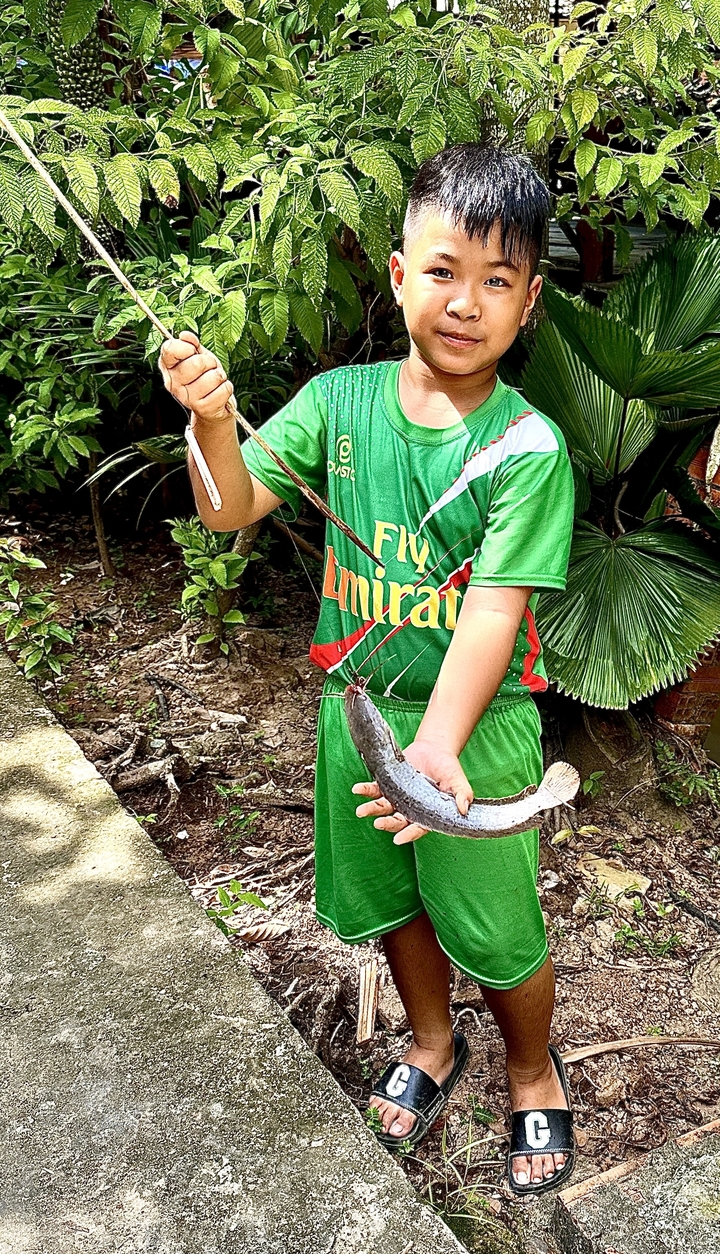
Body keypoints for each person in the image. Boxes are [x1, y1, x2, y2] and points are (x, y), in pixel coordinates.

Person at [159, 144, 575, 1195]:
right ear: (399, 276)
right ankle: (434, 1045)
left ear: (527, 303)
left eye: (496, 281)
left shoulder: (529, 448)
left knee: (498, 925)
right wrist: (212, 419)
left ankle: (533, 1073)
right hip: (362, 715)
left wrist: (435, 751)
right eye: (443, 271)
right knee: (392, 904)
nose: (466, 302)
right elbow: (232, 506)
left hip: (472, 731)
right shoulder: (337, 402)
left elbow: (494, 611)